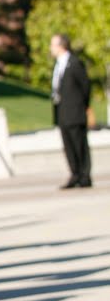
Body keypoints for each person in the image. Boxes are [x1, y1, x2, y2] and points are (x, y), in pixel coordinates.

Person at [50, 33, 92, 190]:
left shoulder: (74, 63)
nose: (51, 48)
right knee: (68, 145)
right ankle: (75, 174)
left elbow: (85, 87)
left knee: (80, 144)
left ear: (62, 46)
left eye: (53, 45)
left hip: (75, 112)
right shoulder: (58, 65)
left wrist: (83, 106)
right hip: (62, 112)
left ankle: (84, 175)